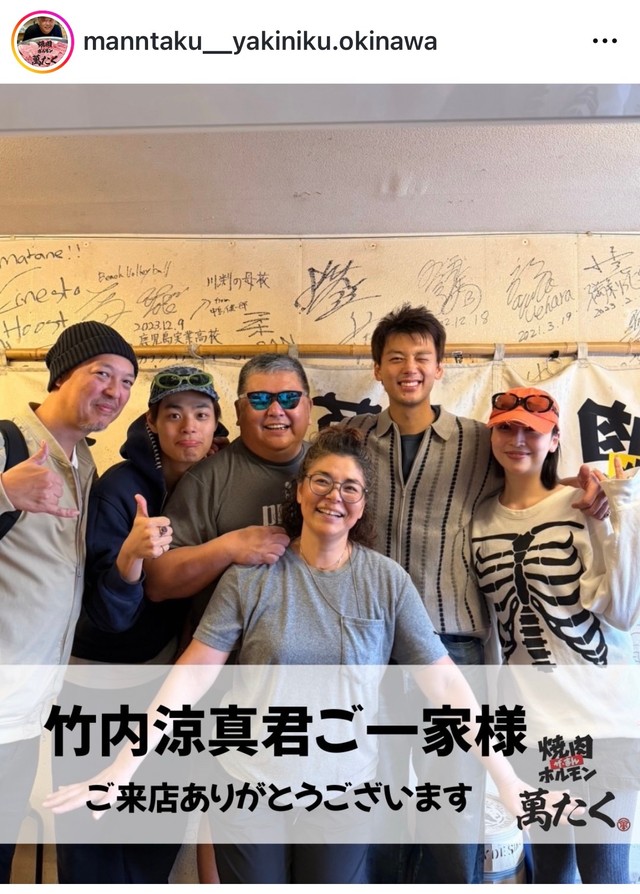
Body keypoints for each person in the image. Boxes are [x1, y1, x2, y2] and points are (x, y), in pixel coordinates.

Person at [45, 428, 548, 883]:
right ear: (300, 490)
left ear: (363, 505)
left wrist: (507, 780)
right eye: (322, 481)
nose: (334, 496)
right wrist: (122, 769)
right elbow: (192, 674)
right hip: (250, 785)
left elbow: (448, 686)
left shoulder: (386, 581)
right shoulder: (251, 575)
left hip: (345, 792)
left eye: (350, 487)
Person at [344, 304, 608, 883]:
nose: (409, 369)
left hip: (455, 645)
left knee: (451, 800)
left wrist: (582, 485)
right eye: (396, 358)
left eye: (422, 357)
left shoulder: (475, 439)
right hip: (371, 644)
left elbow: (527, 476)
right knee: (377, 792)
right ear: (377, 368)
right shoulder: (352, 439)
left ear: (440, 368)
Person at [54, 365, 223, 885]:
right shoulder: (121, 488)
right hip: (96, 686)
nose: (188, 427)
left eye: (201, 415)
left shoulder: (212, 480)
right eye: (173, 415)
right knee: (90, 835)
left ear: (217, 423)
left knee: (155, 828)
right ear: (151, 422)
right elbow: (108, 616)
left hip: (164, 682)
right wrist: (131, 558)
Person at [471, 386, 640, 884]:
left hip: (604, 722)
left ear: (555, 438)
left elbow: (625, 611)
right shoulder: (478, 520)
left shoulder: (585, 504)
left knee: (605, 872)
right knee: (549, 875)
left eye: (532, 430)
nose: (518, 439)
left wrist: (622, 505)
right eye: (506, 428)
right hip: (532, 726)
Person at [0, 321, 137, 884]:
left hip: (26, 712)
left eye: (126, 381)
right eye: (102, 373)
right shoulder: (7, 443)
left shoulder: (84, 465)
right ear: (61, 375)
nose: (115, 390)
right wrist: (3, 492)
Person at [143, 352, 312, 614]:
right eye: (259, 399)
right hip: (230, 637)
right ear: (238, 411)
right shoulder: (207, 479)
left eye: (289, 398)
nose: (276, 411)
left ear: (308, 407)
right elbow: (157, 582)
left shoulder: (332, 470)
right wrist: (229, 547)